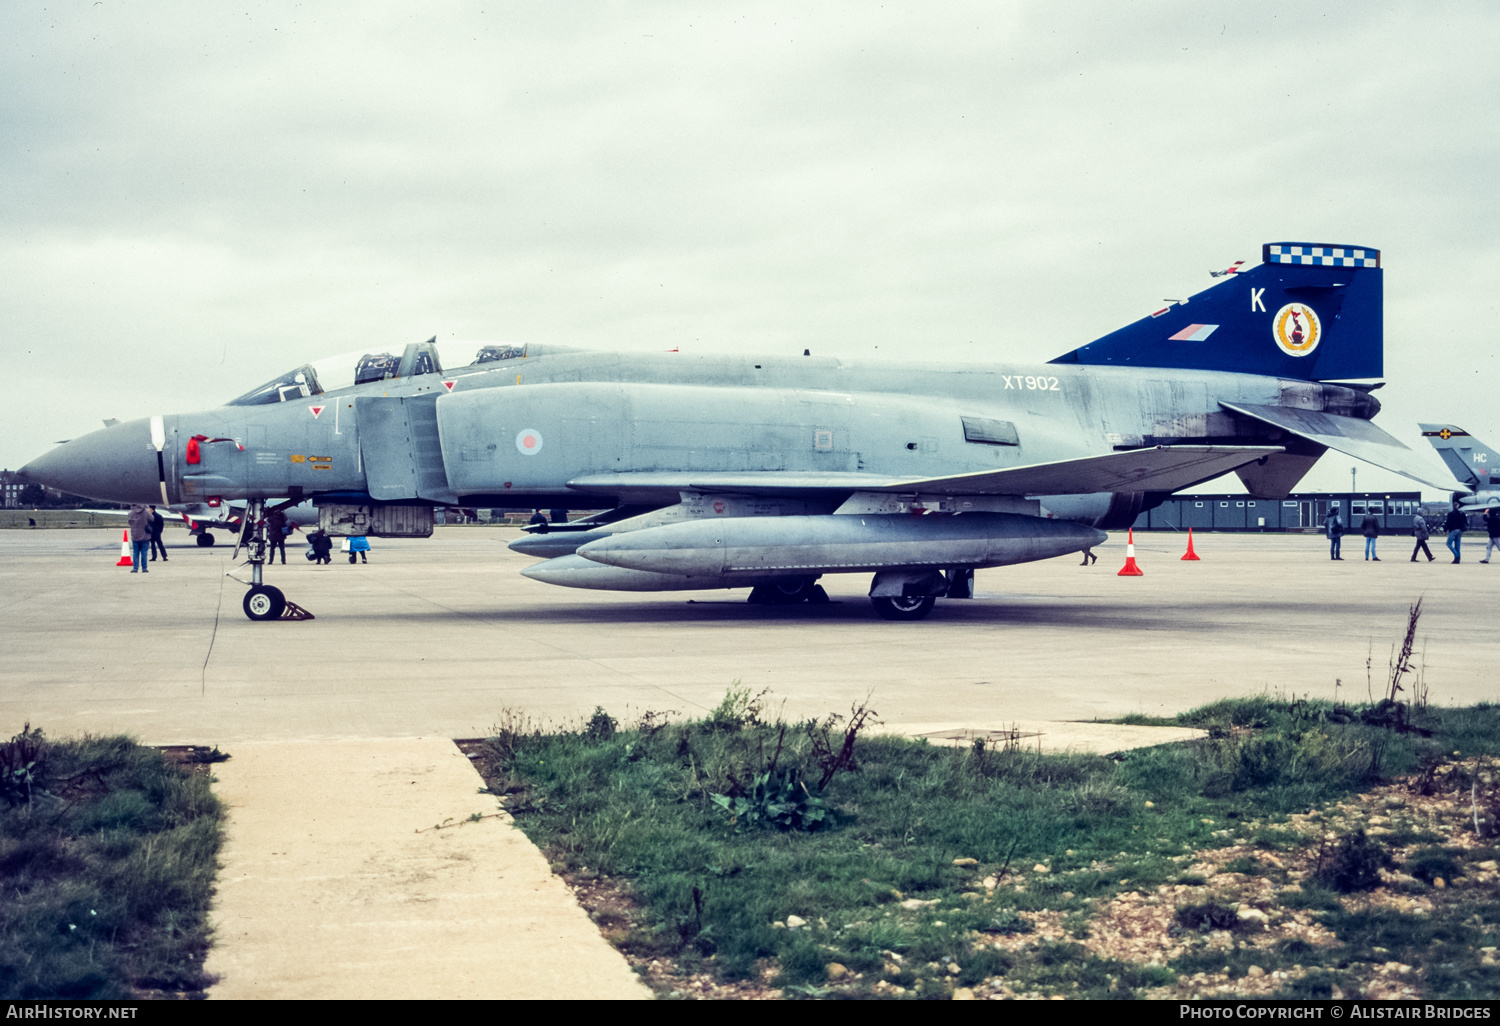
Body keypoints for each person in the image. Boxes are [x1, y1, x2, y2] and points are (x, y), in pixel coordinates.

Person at [126, 504, 151, 573]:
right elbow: (152, 518)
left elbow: (130, 522)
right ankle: (144, 568)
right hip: (145, 535)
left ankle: (135, 568)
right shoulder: (146, 512)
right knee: (144, 552)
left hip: (135, 535)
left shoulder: (131, 512)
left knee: (135, 552)